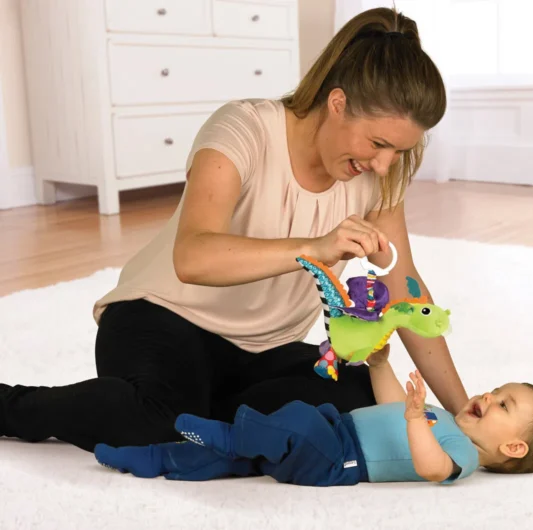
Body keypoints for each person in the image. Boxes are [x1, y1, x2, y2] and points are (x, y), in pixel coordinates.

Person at [0, 7, 468, 453]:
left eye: (398, 152)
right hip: (163, 319)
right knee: (157, 422)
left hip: (263, 353)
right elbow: (193, 257)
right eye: (379, 144)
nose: (384, 164)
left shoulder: (378, 177)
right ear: (338, 103)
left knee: (369, 399)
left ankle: (204, 417)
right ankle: (12, 406)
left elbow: (405, 289)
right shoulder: (244, 128)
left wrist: (462, 411)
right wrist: (314, 248)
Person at [94, 346, 533, 485]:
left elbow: (431, 468)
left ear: (513, 447)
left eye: (503, 404)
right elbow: (388, 406)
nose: (487, 396)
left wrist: (415, 419)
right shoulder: (442, 416)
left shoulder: (463, 454)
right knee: (244, 461)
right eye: (496, 390)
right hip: (336, 430)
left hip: (340, 460)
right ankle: (155, 458)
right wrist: (379, 365)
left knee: (295, 422)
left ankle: (227, 433)